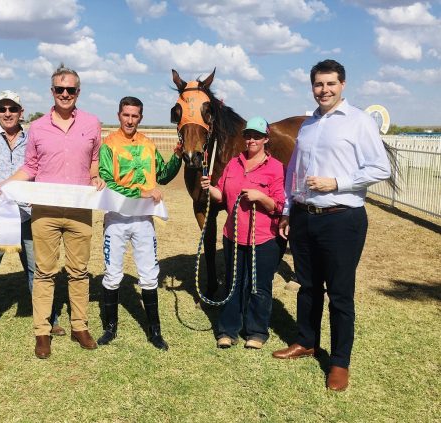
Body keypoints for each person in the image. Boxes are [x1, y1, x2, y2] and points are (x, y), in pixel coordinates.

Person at [272, 59, 391, 391]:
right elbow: (294, 171)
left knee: (340, 294)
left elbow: (380, 168)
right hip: (303, 216)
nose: (324, 90)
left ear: (343, 85)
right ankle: (306, 341)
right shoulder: (309, 125)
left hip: (342, 218)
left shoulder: (359, 122)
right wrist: (286, 209)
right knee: (307, 286)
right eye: (318, 84)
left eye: (330, 84)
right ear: (312, 87)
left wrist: (336, 182)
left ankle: (339, 362)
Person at [0, 64, 105, 359]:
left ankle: (79, 326)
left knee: (79, 272)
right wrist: (6, 185)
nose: (65, 93)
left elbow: (94, 161)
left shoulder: (93, 123)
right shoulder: (39, 127)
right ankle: (41, 332)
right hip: (44, 213)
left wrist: (96, 177)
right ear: (52, 91)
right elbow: (31, 166)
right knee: (44, 272)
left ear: (78, 92)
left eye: (71, 89)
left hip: (80, 211)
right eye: (60, 89)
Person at [0, 90, 64, 341]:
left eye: (12, 109)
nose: (7, 113)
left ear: (20, 112)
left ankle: (49, 319)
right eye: (2, 108)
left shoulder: (34, 137)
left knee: (39, 270)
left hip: (29, 215)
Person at [97, 96, 182, 350]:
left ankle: (154, 331)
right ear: (119, 115)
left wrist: (177, 157)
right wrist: (139, 192)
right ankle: (110, 328)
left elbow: (164, 176)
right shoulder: (108, 145)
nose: (130, 120)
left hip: (144, 220)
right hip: (117, 219)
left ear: (140, 118)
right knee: (112, 275)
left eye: (135, 116)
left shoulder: (148, 144)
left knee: (149, 275)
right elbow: (106, 182)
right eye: (126, 115)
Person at [200, 117, 285, 350]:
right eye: (248, 135)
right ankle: (228, 330)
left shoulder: (275, 167)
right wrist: (211, 188)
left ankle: (256, 331)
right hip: (233, 235)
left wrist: (261, 197)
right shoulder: (233, 164)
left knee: (258, 285)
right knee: (233, 283)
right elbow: (224, 196)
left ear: (266, 139)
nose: (251, 140)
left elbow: (279, 205)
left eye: (257, 136)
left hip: (264, 238)